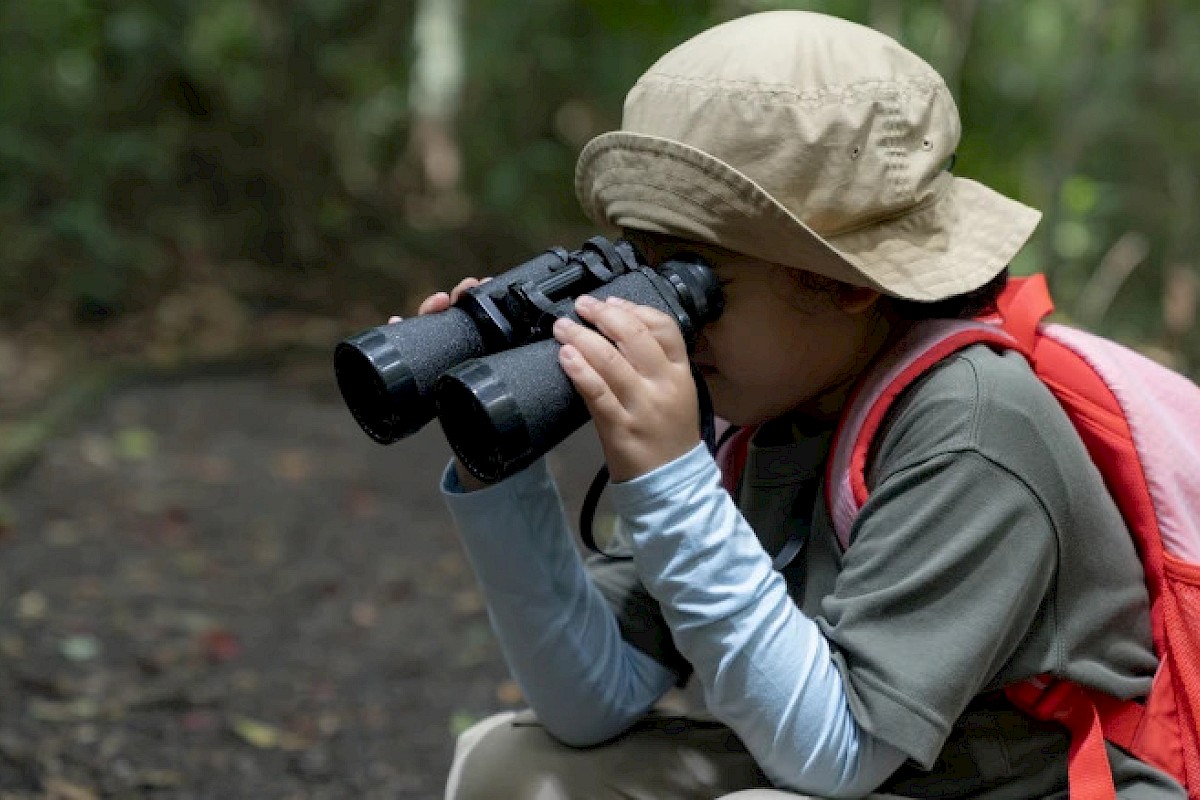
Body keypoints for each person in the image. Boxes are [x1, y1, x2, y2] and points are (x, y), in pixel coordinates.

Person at [407, 10, 1185, 800]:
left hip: (1040, 788)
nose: (656, 319)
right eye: (635, 271)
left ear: (847, 281)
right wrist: (495, 467)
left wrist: (672, 484)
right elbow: (592, 697)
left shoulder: (974, 427)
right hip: (873, 775)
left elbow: (836, 754)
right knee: (509, 770)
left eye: (693, 283)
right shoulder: (760, 414)